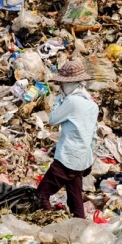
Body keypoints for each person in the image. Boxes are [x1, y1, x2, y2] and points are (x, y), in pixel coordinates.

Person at [37, 60, 99, 218]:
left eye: (62, 84)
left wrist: (58, 100)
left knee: (41, 195)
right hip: (82, 161)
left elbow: (52, 120)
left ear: (70, 84)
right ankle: (80, 226)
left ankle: (47, 222)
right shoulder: (92, 105)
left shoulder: (71, 101)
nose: (60, 87)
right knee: (75, 200)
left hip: (66, 159)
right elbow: (93, 136)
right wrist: (89, 161)